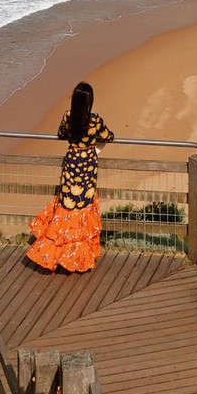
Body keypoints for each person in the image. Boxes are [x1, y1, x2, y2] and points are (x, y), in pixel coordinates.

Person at [26, 82, 115, 273]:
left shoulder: (68, 117)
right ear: (90, 102)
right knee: (83, 206)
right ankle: (77, 258)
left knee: (67, 205)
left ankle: (57, 254)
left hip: (72, 163)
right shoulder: (95, 120)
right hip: (88, 166)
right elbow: (108, 137)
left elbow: (60, 134)